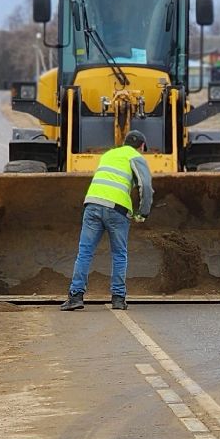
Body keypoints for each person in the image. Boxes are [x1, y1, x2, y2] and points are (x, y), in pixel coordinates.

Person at [62, 130, 154, 311]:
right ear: (142, 146)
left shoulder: (108, 155)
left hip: (92, 204)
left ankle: (75, 296)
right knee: (119, 254)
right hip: (117, 210)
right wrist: (143, 213)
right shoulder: (136, 157)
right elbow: (146, 186)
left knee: (85, 252)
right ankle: (118, 299)